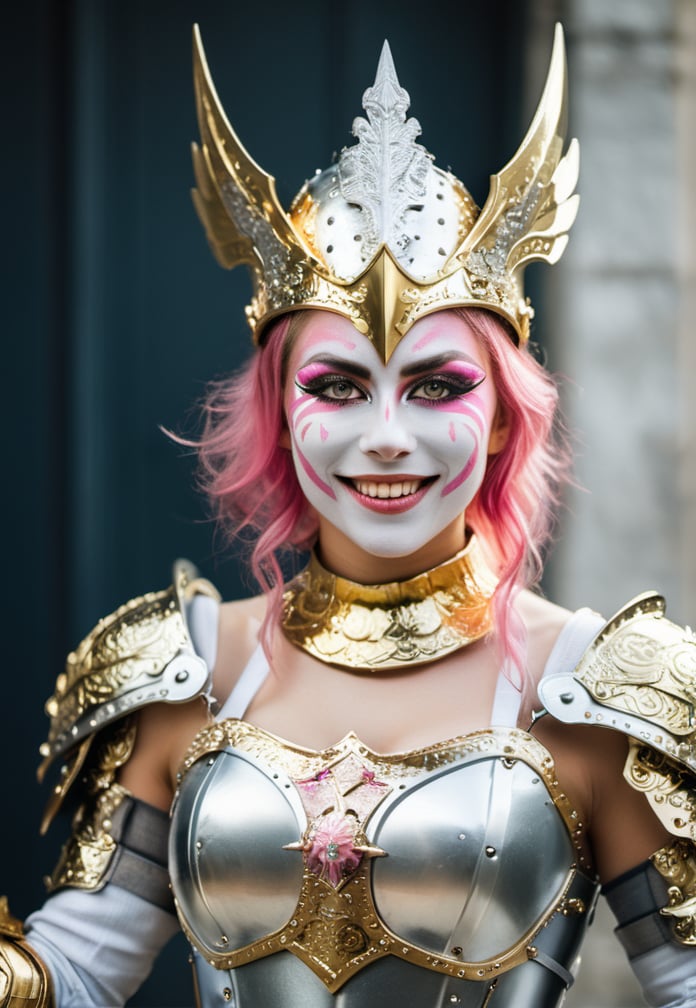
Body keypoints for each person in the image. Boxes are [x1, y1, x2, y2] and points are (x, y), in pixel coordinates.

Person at [2, 22, 695, 1008]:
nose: (384, 438)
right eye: (336, 387)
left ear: (503, 419)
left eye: (435, 387)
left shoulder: (597, 695)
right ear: (280, 418)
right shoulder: (182, 673)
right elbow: (74, 972)